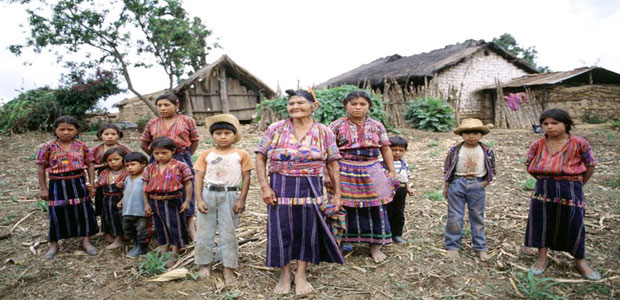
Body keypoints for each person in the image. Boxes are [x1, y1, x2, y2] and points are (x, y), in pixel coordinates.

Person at [256, 89, 345, 296]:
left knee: (308, 228)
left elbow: (333, 163)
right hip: (280, 186)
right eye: (291, 103)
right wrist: (265, 187)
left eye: (300, 103)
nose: (294, 107)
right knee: (281, 229)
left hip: (311, 186)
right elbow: (260, 157)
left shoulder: (324, 132)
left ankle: (301, 273)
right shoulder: (275, 128)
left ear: (314, 106)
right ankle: (285, 273)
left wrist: (337, 194)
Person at [524, 108, 600, 280]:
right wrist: (544, 179)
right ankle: (541, 258)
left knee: (574, 221)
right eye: (545, 124)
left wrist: (578, 183)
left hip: (571, 186)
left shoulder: (580, 143)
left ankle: (580, 261)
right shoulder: (538, 144)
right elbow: (529, 164)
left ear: (566, 124)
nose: (549, 127)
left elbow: (590, 165)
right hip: (544, 187)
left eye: (555, 123)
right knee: (542, 221)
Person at [328, 90, 395, 263]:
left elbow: (386, 148)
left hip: (372, 169)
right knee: (343, 206)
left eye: (362, 104)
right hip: (344, 169)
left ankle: (374, 245)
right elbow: (326, 152)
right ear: (346, 106)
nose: (358, 107)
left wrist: (391, 170)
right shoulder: (335, 126)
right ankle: (341, 244)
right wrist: (326, 174)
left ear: (369, 106)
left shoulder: (377, 126)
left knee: (376, 206)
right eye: (353, 104)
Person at [194, 114, 254, 286]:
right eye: (218, 133)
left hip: (230, 195)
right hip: (208, 193)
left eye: (227, 133)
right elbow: (198, 177)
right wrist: (199, 199)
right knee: (205, 231)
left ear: (234, 135)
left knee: (229, 232)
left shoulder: (241, 154)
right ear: (212, 135)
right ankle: (204, 264)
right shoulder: (206, 154)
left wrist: (241, 199)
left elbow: (246, 177)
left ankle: (228, 268)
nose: (222, 136)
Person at [36, 116, 99, 260]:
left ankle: (86, 241)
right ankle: (53, 244)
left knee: (83, 210)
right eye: (61, 129)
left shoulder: (82, 146)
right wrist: (43, 188)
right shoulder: (48, 147)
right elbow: (41, 168)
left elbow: (90, 164)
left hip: (78, 182)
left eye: (70, 129)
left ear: (76, 130)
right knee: (56, 212)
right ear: (55, 130)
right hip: (57, 184)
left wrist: (91, 183)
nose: (66, 132)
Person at [140, 93, 199, 241]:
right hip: (159, 160)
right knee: (160, 189)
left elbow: (195, 141)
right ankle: (164, 228)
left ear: (176, 105)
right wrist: (156, 155)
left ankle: (190, 225)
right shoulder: (152, 123)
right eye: (159, 105)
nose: (163, 108)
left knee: (186, 190)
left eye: (167, 105)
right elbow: (144, 142)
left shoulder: (187, 120)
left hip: (181, 156)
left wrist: (184, 156)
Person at [442, 118, 495, 261]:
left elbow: (492, 169)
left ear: (481, 135)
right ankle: (453, 246)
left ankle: (480, 247)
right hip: (457, 183)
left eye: (475, 133)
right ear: (461, 135)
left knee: (477, 216)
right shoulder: (455, 150)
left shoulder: (487, 151)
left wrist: (484, 183)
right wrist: (447, 186)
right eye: (467, 133)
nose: (471, 136)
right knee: (454, 216)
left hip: (477, 184)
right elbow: (447, 169)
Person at [142, 136, 193, 268]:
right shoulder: (150, 168)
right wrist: (147, 203)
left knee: (175, 225)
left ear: (173, 151)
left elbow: (188, 184)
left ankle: (176, 250)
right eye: (156, 153)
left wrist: (187, 201)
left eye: (164, 153)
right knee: (160, 225)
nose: (160, 156)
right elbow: (145, 187)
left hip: (173, 200)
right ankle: (164, 248)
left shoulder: (181, 166)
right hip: (155, 200)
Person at [91, 123, 131, 221]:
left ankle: (122, 228)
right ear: (100, 136)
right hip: (103, 181)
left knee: (121, 202)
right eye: (106, 134)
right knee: (102, 202)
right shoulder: (95, 150)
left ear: (118, 135)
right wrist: (103, 166)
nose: (110, 137)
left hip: (121, 180)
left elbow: (132, 161)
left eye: (113, 134)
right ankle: (106, 225)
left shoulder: (125, 149)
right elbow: (89, 165)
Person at [382, 136, 415, 244]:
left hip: (401, 191)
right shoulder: (381, 163)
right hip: (387, 191)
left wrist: (408, 188)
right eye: (394, 150)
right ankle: (385, 234)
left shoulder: (403, 164)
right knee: (387, 212)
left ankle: (396, 234)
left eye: (401, 150)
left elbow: (406, 177)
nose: (397, 153)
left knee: (399, 212)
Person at [117, 152, 150, 258]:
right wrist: (121, 201)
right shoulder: (127, 179)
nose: (130, 168)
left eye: (133, 164)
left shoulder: (145, 178)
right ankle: (135, 244)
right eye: (127, 166)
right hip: (128, 210)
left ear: (143, 164)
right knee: (128, 229)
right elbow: (126, 192)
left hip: (141, 211)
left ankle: (142, 248)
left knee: (142, 230)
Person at [96, 147, 129, 250]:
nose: (113, 162)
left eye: (116, 159)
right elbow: (98, 183)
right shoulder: (104, 172)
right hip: (106, 199)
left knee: (119, 218)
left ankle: (120, 237)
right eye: (110, 160)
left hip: (120, 199)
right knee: (106, 216)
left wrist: (123, 185)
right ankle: (108, 233)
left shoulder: (127, 172)